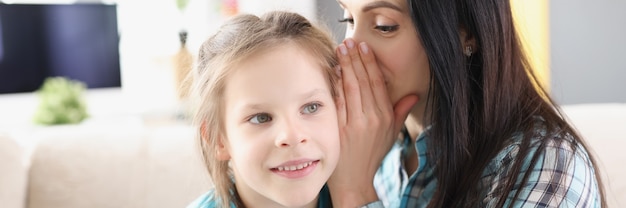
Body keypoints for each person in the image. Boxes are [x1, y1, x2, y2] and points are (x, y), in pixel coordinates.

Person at [326, 0, 607, 207]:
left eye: (384, 26)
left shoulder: (547, 165)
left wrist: (354, 192)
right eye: (348, 20)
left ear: (467, 33)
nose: (349, 48)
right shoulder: (363, 147)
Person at [186, 11, 341, 208]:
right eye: (261, 118)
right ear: (218, 140)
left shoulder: (378, 195)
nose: (292, 136)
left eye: (311, 107)